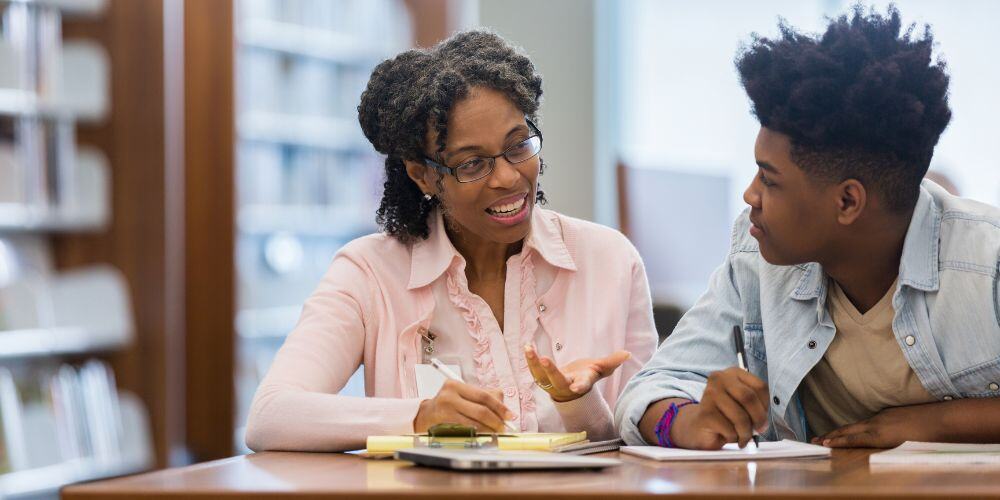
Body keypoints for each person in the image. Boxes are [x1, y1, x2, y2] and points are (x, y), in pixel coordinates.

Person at [245, 30, 657, 452]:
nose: (509, 177)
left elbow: (641, 440)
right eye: (472, 163)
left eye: (518, 146)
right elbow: (271, 416)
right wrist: (420, 417)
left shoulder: (610, 260)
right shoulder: (368, 273)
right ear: (422, 175)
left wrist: (576, 401)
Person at [615, 5, 1000, 450]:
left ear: (848, 201)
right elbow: (650, 390)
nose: (750, 195)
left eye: (769, 179)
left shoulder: (985, 263)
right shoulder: (756, 259)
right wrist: (687, 421)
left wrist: (926, 425)